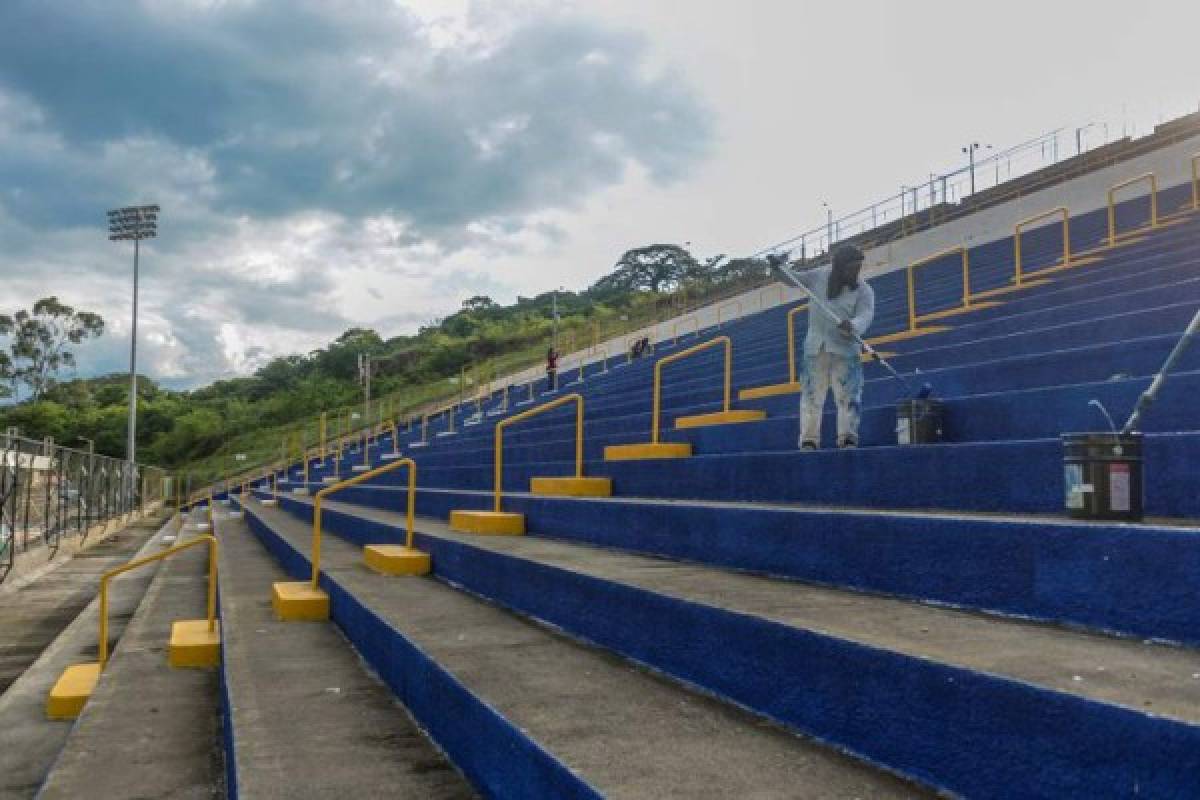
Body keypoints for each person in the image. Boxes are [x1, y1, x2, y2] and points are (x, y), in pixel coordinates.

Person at [770, 244, 875, 449]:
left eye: (858, 268)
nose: (855, 272)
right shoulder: (818, 276)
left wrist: (852, 325)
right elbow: (793, 279)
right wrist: (777, 268)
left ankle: (848, 438)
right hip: (815, 349)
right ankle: (809, 440)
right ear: (839, 266)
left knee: (849, 397)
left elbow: (866, 314)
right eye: (851, 268)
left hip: (846, 350)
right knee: (811, 396)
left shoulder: (864, 290)